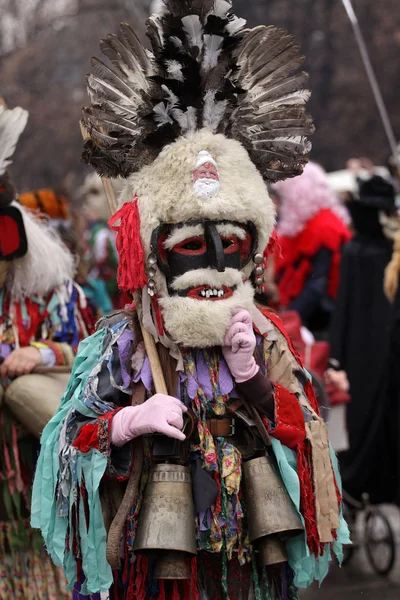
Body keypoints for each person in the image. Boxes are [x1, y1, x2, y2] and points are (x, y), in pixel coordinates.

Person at [32, 2, 348, 599]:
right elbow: (64, 447)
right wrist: (124, 423)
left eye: (231, 243)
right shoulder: (121, 342)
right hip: (154, 572)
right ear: (153, 254)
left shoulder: (266, 335)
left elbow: (314, 444)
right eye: (192, 245)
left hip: (250, 567)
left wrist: (254, 379)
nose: (214, 264)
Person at [0, 103, 93, 598]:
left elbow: (88, 350)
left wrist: (40, 353)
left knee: (45, 567)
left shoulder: (52, 288)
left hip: (38, 461)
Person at [330, 158, 398, 503]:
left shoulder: (364, 251)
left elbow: (343, 309)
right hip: (368, 348)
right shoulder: (365, 251)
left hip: (369, 348)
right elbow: (345, 307)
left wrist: (338, 351)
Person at [273, 162, 351, 337]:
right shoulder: (306, 226)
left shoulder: (323, 228)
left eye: (285, 197)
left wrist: (288, 318)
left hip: (321, 323)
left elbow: (318, 284)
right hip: (312, 318)